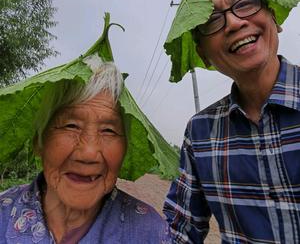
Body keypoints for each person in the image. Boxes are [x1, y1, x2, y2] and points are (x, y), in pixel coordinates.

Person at [163, 0, 300, 243]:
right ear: (204, 55)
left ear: (274, 16)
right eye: (212, 20)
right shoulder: (201, 132)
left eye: (246, 4)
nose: (235, 23)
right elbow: (179, 231)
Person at [0, 56, 172, 242]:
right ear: (39, 142)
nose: (89, 153)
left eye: (108, 130)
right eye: (71, 126)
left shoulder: (151, 233)